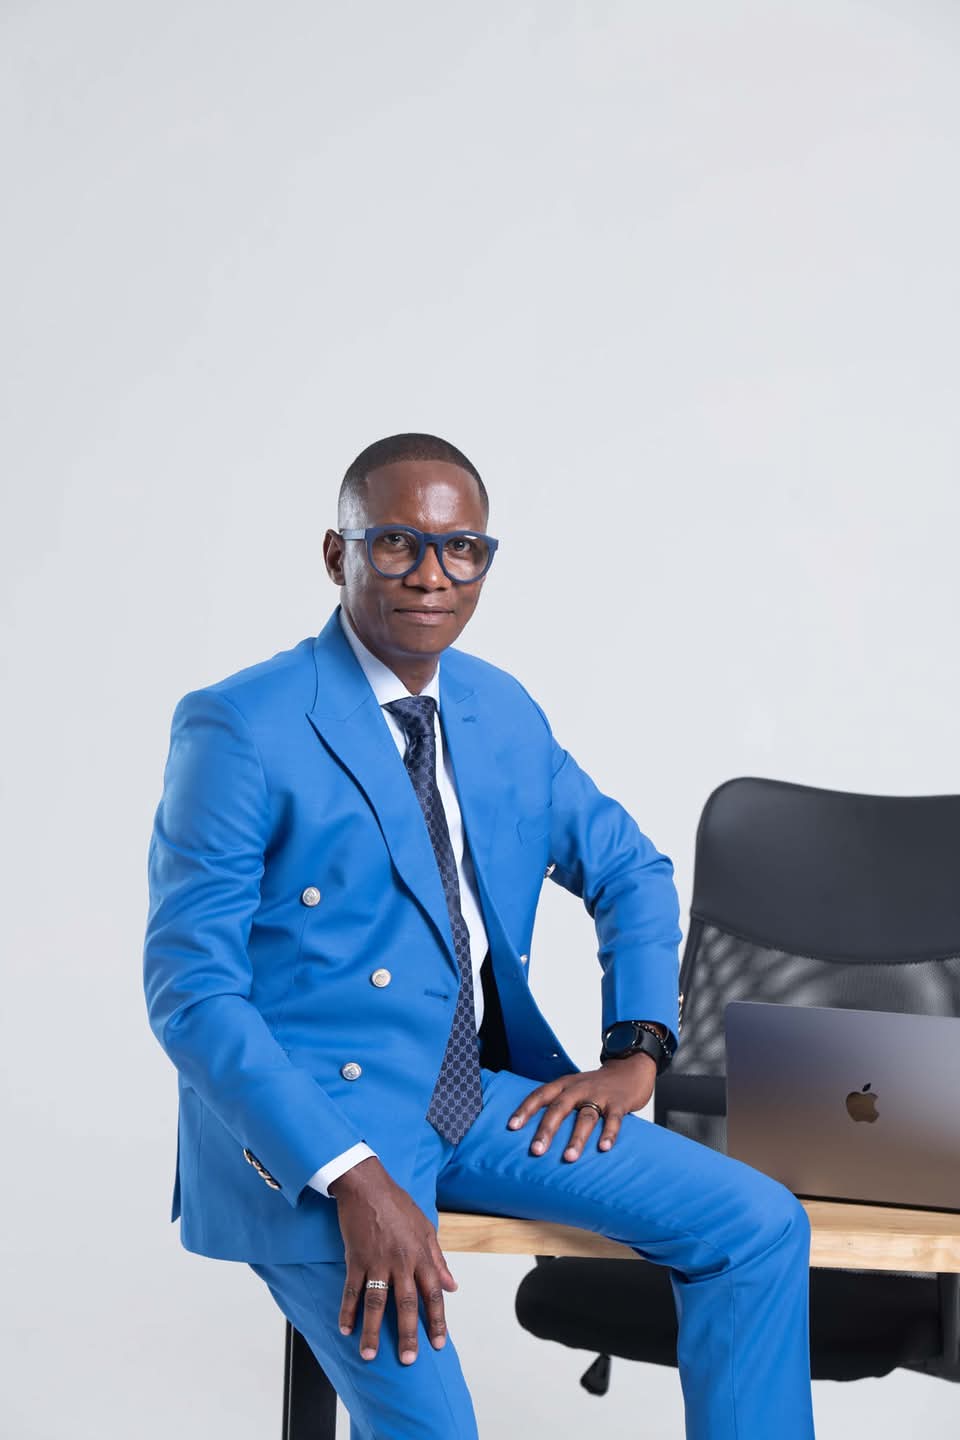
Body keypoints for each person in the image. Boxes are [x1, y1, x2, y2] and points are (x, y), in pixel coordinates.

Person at [143, 432, 816, 1440]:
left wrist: (638, 1050)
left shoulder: (498, 708)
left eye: (461, 549)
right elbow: (191, 994)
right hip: (319, 1130)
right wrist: (351, 1175)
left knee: (755, 1225)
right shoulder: (242, 724)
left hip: (468, 1098)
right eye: (397, 543)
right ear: (337, 553)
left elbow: (630, 871)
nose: (432, 575)